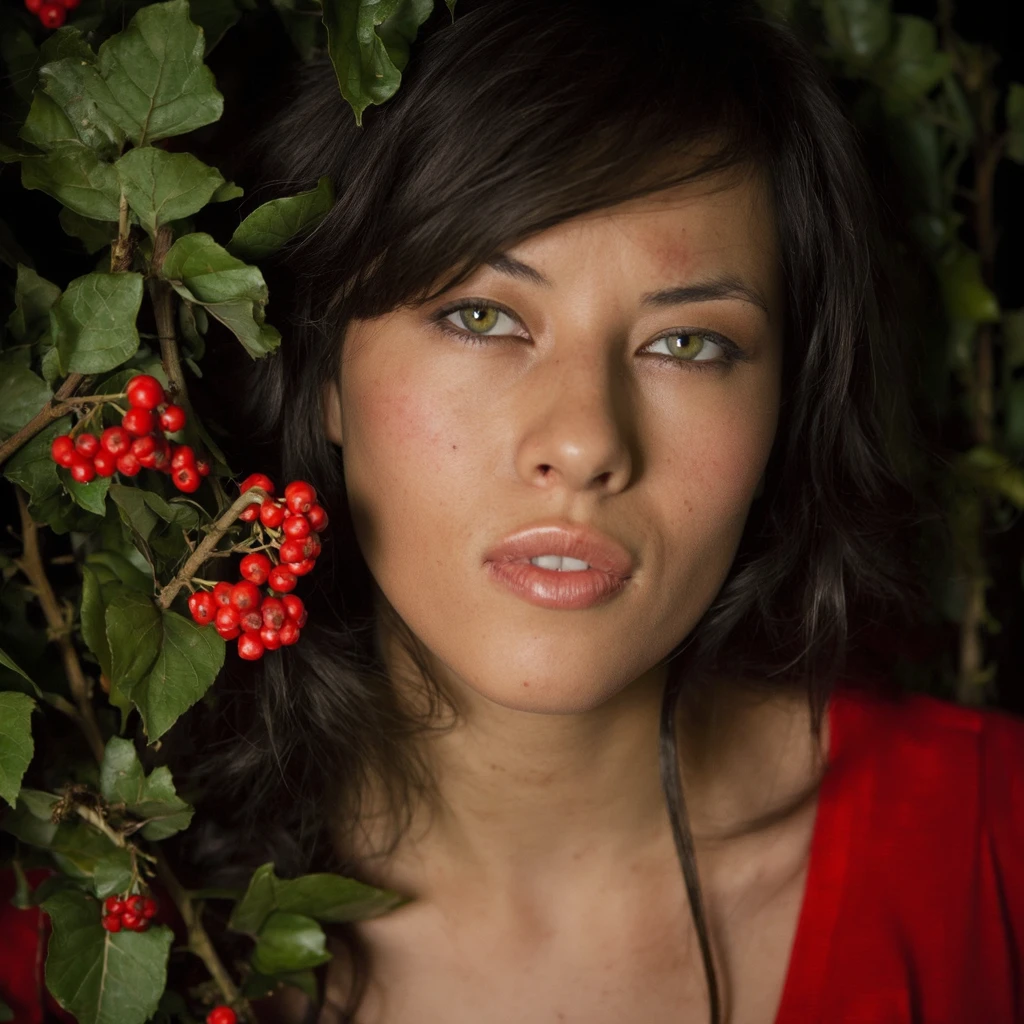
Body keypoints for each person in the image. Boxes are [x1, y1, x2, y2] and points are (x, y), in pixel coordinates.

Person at [170, 1, 1024, 1022]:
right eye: (480, 316)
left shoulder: (992, 849)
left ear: (782, 413)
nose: (583, 442)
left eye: (688, 344)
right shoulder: (98, 917)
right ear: (322, 375)